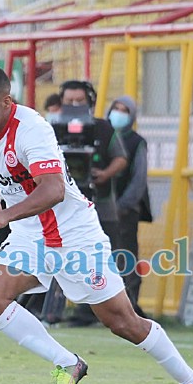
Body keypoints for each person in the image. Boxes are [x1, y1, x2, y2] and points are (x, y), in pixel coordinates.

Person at [0, 65, 193, 384]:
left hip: (75, 235)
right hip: (30, 234)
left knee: (123, 322)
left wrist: (4, 215)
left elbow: (54, 189)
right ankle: (67, 363)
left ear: (6, 102)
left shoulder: (32, 129)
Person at [60, 80, 128, 327]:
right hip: (67, 207)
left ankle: (117, 311)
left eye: (79, 100)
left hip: (101, 203)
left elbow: (120, 158)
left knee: (108, 259)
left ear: (90, 101)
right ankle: (80, 311)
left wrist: (105, 174)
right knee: (74, 260)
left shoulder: (103, 128)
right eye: (69, 101)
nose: (74, 105)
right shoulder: (53, 127)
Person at [107, 96, 153, 318]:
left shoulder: (137, 142)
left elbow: (139, 179)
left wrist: (124, 205)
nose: (118, 113)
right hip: (101, 209)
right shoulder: (104, 137)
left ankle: (130, 307)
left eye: (124, 110)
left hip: (125, 211)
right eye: (116, 108)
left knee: (125, 258)